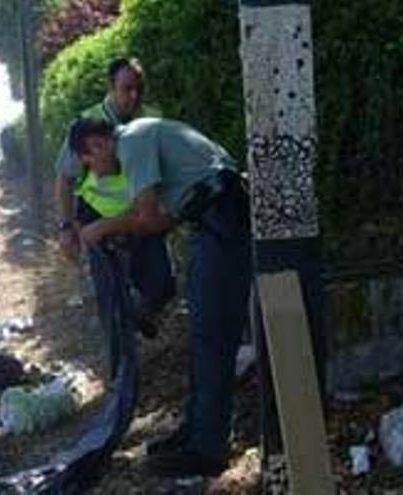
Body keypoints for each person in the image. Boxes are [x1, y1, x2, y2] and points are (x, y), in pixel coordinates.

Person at [68, 117, 252, 477]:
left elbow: (147, 218)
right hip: (215, 222)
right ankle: (197, 431)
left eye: (89, 161)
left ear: (99, 144)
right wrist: (115, 230)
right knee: (202, 334)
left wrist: (101, 228)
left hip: (226, 221)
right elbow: (163, 218)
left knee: (212, 337)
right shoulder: (142, 137)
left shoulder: (133, 141)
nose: (96, 172)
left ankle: (209, 448)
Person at [54, 58, 175, 380]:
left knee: (162, 284)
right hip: (97, 219)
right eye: (126, 89)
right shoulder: (85, 124)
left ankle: (137, 314)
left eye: (138, 88)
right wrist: (66, 228)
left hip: (140, 214)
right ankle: (120, 374)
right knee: (110, 294)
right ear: (110, 88)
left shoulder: (150, 120)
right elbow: (65, 180)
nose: (133, 96)